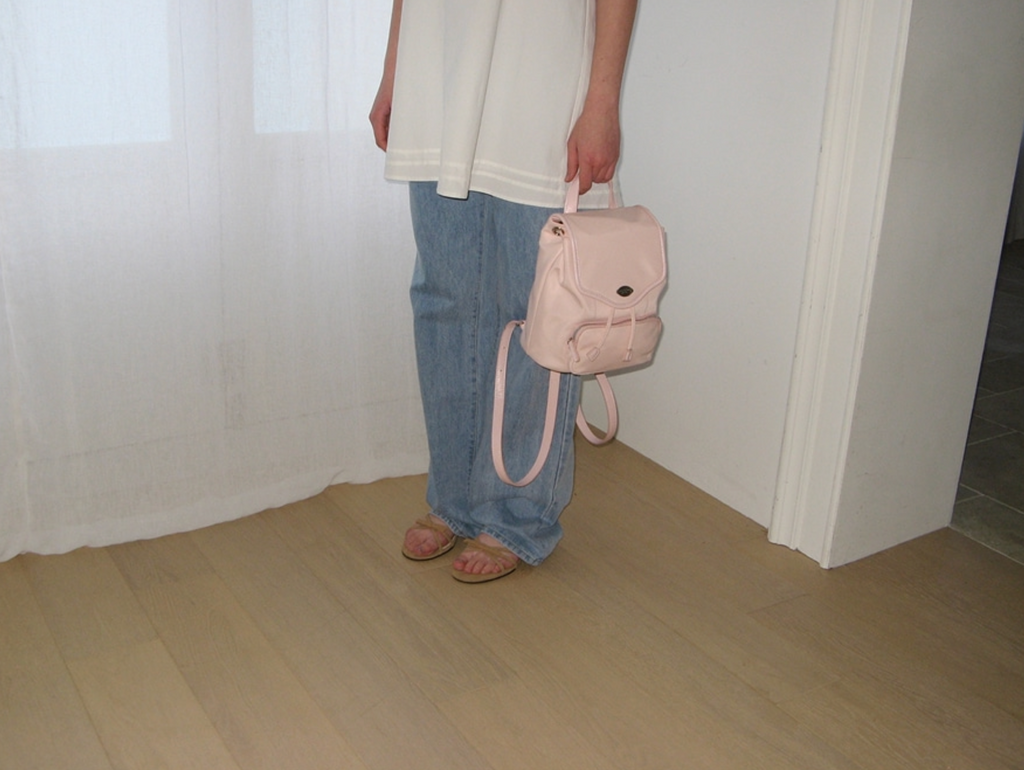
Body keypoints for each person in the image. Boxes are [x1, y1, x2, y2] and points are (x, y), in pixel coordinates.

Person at [370, 0, 637, 582]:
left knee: (535, 310)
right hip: (438, 78)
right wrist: (394, 72)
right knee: (444, 302)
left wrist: (601, 102)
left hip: (539, 84)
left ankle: (516, 514)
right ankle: (453, 499)